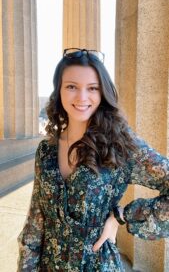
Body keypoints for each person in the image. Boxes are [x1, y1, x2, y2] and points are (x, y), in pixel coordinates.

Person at [17, 48, 169, 272]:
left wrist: (121, 216)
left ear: (102, 93)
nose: (82, 97)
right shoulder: (47, 151)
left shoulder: (120, 146)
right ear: (59, 91)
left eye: (92, 88)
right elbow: (36, 221)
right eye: (71, 87)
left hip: (98, 265)